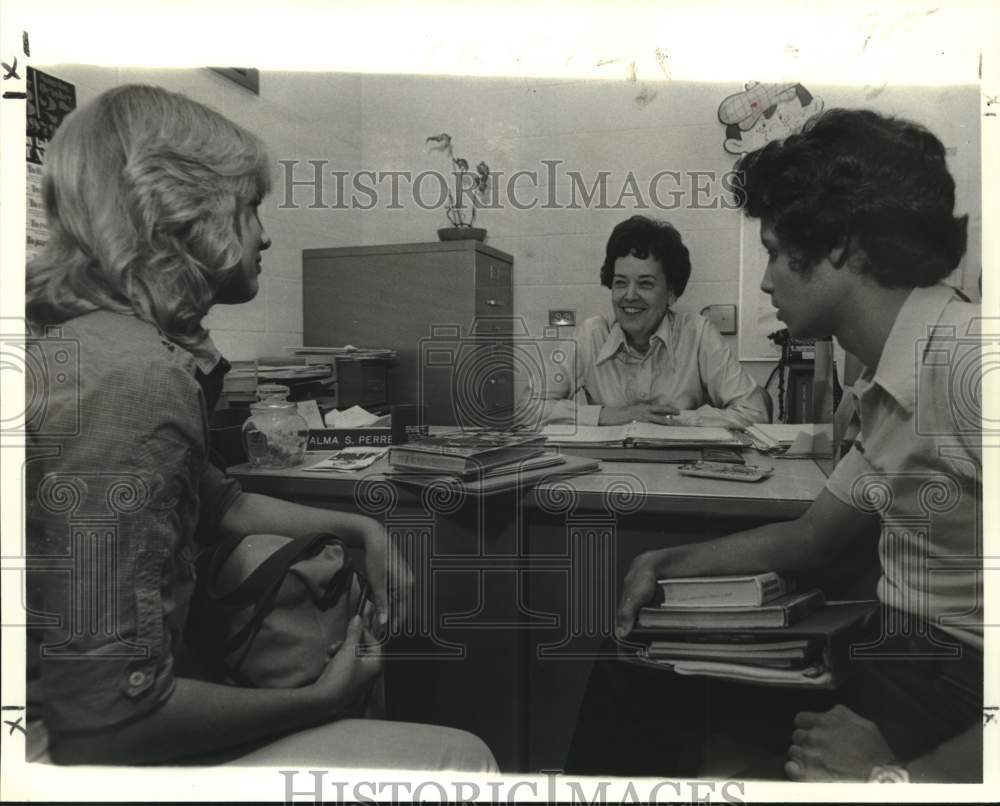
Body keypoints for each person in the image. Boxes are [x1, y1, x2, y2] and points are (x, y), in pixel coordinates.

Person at [24, 84, 496, 771]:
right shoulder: (132, 381)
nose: (266, 232)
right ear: (179, 212)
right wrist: (326, 698)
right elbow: (105, 721)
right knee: (463, 758)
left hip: (73, 715)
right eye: (248, 206)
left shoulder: (94, 346)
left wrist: (356, 527)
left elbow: (222, 501)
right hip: (53, 754)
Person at [612, 109, 982, 782]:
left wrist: (900, 781)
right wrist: (666, 561)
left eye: (778, 252)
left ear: (840, 248)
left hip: (955, 687)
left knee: (643, 706)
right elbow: (812, 540)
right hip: (901, 654)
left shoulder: (967, 364)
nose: (764, 279)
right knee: (635, 674)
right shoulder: (892, 373)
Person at [529, 216, 770, 429]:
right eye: (620, 282)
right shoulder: (591, 335)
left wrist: (675, 420)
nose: (630, 296)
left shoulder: (697, 333)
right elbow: (524, 408)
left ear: (671, 293)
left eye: (645, 284)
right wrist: (605, 415)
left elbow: (756, 412)